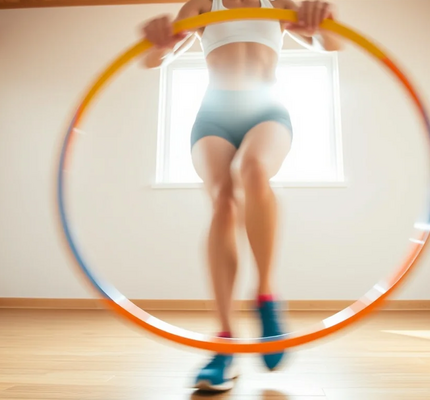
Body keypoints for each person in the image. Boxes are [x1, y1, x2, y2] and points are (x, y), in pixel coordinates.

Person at [140, 0, 343, 392]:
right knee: (223, 202)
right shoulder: (201, 4)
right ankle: (224, 343)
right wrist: (159, 41)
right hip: (214, 115)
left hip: (266, 110)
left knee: (253, 170)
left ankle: (265, 298)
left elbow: (330, 44)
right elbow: (154, 60)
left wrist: (325, 22)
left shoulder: (280, 2)